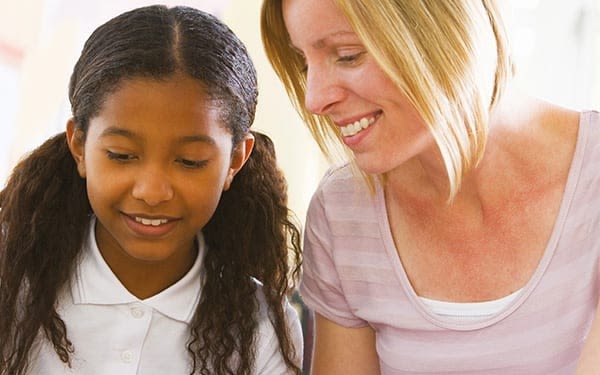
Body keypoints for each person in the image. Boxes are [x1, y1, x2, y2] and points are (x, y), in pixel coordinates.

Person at [261, 0, 600, 374]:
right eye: (305, 63)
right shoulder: (343, 212)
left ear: (442, 28)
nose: (315, 99)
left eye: (347, 55)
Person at [0, 5, 303, 375]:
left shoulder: (263, 328)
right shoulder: (12, 283)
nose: (152, 192)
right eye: (122, 155)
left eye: (190, 161)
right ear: (79, 145)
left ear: (236, 160)